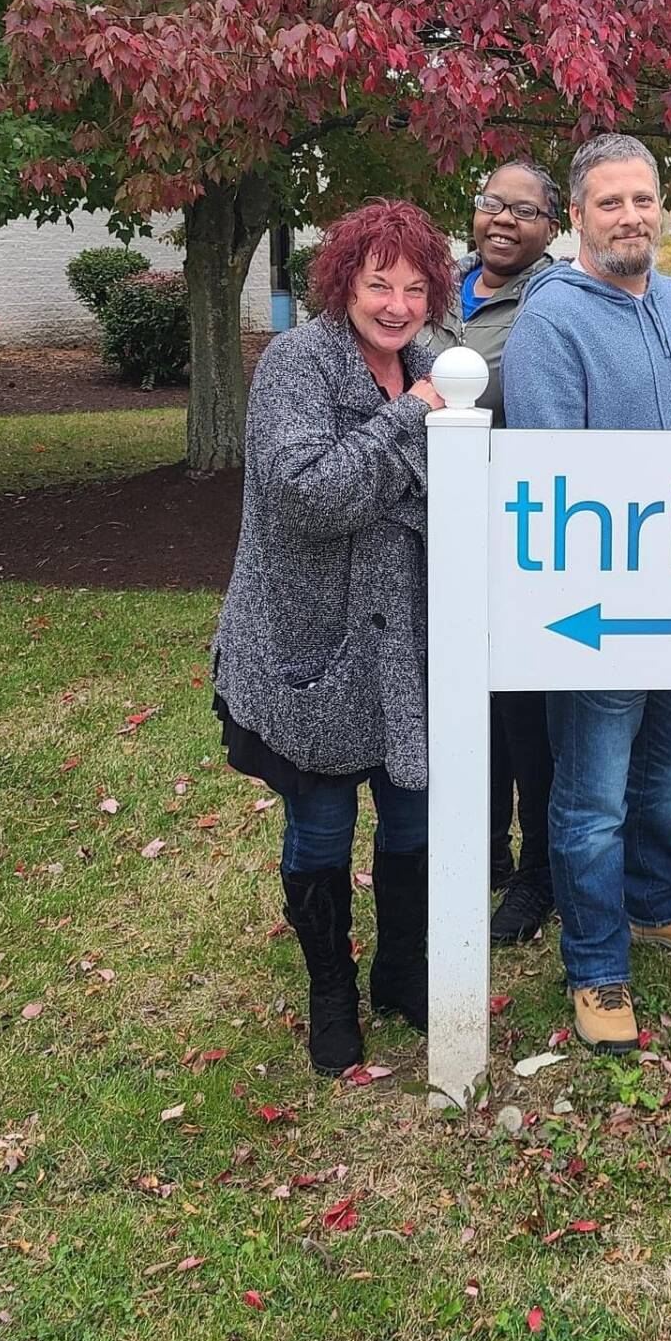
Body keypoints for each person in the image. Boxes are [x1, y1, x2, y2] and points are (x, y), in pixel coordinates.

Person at [503, 134, 671, 1053]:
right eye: (610, 203)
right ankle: (597, 963)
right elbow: (553, 473)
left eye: (644, 199)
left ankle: (655, 901)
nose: (631, 216)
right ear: (577, 217)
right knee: (593, 792)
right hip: (599, 608)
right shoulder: (552, 321)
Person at [212, 200, 452, 1075]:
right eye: (378, 282)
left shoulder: (433, 367)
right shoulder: (298, 364)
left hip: (408, 644)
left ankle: (399, 972)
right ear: (343, 278)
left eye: (415, 287)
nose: (396, 304)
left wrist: (407, 432)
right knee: (320, 823)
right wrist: (408, 421)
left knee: (413, 816)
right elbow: (308, 494)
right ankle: (332, 993)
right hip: (308, 640)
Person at [422, 159, 562, 945]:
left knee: (524, 714)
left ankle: (539, 872)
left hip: (521, 534)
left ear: (552, 225)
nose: (503, 220)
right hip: (437, 533)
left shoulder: (558, 300)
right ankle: (484, 854)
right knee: (462, 704)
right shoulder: (437, 292)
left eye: (524, 210)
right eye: (489, 204)